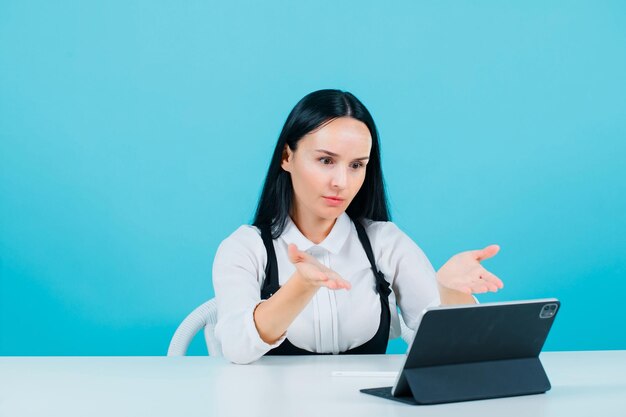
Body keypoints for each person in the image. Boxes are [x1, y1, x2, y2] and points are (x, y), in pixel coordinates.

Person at [212, 89, 503, 364]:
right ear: (287, 157)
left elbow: (445, 349)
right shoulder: (246, 248)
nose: (341, 182)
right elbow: (237, 347)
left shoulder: (385, 242)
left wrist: (448, 291)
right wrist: (301, 286)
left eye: (356, 165)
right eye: (326, 160)